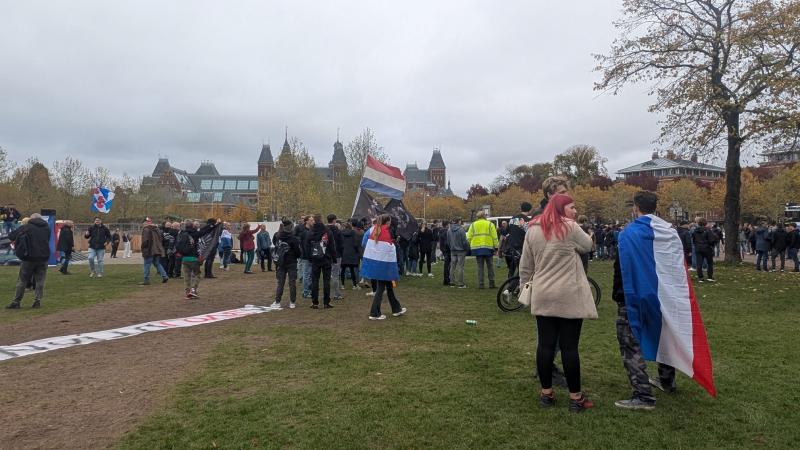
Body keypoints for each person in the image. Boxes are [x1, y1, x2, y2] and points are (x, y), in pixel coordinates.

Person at [519, 194, 595, 413]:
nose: (575, 210)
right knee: (570, 347)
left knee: (545, 345)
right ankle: (576, 398)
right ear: (562, 209)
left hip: (543, 293)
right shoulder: (570, 228)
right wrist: (585, 230)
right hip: (568, 293)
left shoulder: (533, 230)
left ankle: (546, 393)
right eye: (572, 207)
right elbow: (588, 246)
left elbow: (525, 265)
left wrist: (526, 288)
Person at [613, 191, 679, 411]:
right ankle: (667, 380)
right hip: (664, 295)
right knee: (665, 336)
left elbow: (622, 267)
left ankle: (643, 394)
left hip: (633, 295)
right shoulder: (669, 232)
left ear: (635, 207)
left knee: (630, 344)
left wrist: (619, 295)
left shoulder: (629, 233)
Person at [361, 214, 406, 320]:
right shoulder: (385, 232)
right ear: (388, 222)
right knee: (381, 288)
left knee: (389, 287)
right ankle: (374, 313)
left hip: (378, 264)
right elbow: (389, 248)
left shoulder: (375, 230)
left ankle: (396, 309)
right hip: (384, 265)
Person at [6, 213, 51, 309]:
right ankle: (37, 301)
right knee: (40, 280)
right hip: (43, 257)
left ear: (31, 219)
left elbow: (11, 236)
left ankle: (16, 302)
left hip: (29, 257)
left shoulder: (27, 227)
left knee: (22, 280)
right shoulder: (47, 228)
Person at [175, 219, 220, 299]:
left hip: (184, 259)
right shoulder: (195, 234)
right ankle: (193, 290)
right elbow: (205, 230)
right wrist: (215, 224)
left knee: (187, 276)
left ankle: (187, 292)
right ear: (193, 226)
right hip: (194, 258)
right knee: (197, 274)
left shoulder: (181, 234)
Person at [304, 214, 337, 309]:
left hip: (315, 259)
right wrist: (334, 258)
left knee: (315, 281)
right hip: (326, 258)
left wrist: (309, 258)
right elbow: (332, 246)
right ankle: (326, 302)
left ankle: (315, 302)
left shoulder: (311, 232)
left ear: (314, 221)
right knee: (326, 281)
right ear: (322, 220)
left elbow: (307, 246)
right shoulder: (327, 231)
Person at [271, 219, 302, 309]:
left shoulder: (277, 236)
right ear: (291, 227)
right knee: (292, 282)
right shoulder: (294, 238)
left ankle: (277, 302)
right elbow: (298, 251)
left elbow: (275, 246)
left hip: (281, 262)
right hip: (292, 262)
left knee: (280, 282)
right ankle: (292, 302)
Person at [467, 211, 499, 289]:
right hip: (488, 248)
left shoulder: (473, 225)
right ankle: (491, 283)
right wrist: (496, 247)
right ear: (484, 216)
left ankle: (481, 284)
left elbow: (469, 237)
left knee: (480, 267)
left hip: (477, 249)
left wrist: (469, 246)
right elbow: (494, 236)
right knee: (490, 266)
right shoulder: (490, 224)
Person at [506, 202, 533, 276]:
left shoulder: (513, 218)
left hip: (512, 246)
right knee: (521, 269)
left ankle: (509, 282)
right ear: (530, 210)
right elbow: (529, 235)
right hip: (521, 247)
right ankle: (513, 285)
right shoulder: (528, 221)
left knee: (512, 268)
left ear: (521, 209)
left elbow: (508, 231)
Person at [140, 218, 169, 285]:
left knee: (147, 264)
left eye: (144, 223)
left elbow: (145, 241)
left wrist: (143, 248)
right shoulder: (157, 229)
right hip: (157, 250)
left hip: (149, 250)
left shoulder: (146, 229)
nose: (143, 224)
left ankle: (146, 279)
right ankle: (164, 276)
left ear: (146, 223)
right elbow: (161, 239)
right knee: (157, 264)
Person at [692, 218, 717, 282]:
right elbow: (711, 240)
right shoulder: (708, 230)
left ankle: (700, 277)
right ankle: (710, 277)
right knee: (709, 263)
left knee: (699, 263)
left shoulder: (695, 230)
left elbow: (693, 239)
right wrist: (712, 245)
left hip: (698, 248)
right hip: (707, 248)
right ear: (705, 223)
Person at [447, 217, 469, 288]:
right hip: (461, 251)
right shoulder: (461, 230)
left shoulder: (449, 230)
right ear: (458, 222)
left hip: (453, 250)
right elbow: (464, 242)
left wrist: (451, 247)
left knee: (452, 267)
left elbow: (448, 241)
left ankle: (452, 282)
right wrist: (467, 249)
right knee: (460, 267)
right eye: (460, 221)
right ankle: (461, 283)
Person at [327, 214, 345, 300]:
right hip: (337, 255)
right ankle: (336, 294)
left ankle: (327, 294)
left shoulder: (324, 230)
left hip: (326, 255)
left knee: (327, 275)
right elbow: (342, 244)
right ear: (334, 220)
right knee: (335, 275)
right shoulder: (337, 231)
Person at [340, 221, 361, 289]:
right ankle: (354, 285)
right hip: (352, 253)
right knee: (352, 270)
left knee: (343, 270)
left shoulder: (341, 233)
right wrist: (357, 251)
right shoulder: (353, 233)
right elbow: (355, 243)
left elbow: (340, 243)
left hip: (343, 253)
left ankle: (342, 285)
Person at [439, 220, 451, 286]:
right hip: (447, 250)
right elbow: (447, 242)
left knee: (446, 265)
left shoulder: (441, 231)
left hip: (443, 250)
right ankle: (446, 280)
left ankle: (446, 280)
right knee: (447, 266)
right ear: (447, 225)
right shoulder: (446, 232)